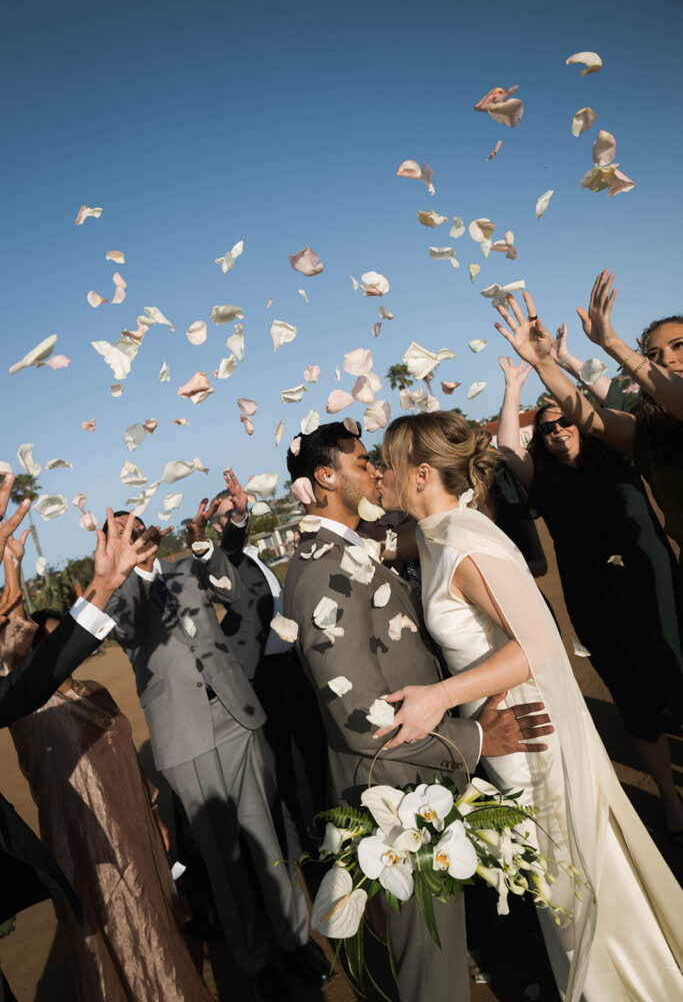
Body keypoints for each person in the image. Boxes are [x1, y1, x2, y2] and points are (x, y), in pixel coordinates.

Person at [378, 410, 683, 1002]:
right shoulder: (440, 533)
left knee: (568, 880)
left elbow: (539, 643)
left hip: (529, 736)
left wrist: (438, 697)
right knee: (560, 880)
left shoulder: (463, 542)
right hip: (502, 731)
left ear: (420, 475)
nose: (380, 476)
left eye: (387, 464)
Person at [283, 421, 556, 1002]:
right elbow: (361, 720)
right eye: (363, 464)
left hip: (420, 772)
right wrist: (477, 739)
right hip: (394, 792)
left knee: (442, 946)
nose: (377, 472)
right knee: (430, 966)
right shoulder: (319, 573)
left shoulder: (346, 547)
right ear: (326, 477)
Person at [104, 498, 327, 1002]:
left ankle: (295, 941)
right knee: (223, 860)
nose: (133, 534)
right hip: (184, 738)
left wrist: (205, 549)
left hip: (235, 717)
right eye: (121, 532)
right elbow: (131, 629)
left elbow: (232, 590)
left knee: (266, 840)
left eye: (135, 525)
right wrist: (130, 572)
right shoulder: (116, 599)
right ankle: (254, 961)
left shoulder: (186, 569)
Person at [2, 537, 212, 1002]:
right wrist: (10, 568)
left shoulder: (95, 690)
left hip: (134, 826)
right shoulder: (29, 708)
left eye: (64, 641)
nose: (60, 651)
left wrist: (154, 816)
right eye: (46, 645)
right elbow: (11, 632)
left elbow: (129, 771)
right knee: (116, 928)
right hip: (83, 838)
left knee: (156, 918)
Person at [496, 353, 683, 841]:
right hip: (596, 600)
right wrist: (515, 385)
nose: (557, 430)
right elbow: (508, 449)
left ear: (579, 421)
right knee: (634, 695)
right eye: (547, 428)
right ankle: (671, 798)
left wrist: (558, 362)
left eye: (564, 420)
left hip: (654, 584)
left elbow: (609, 396)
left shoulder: (620, 453)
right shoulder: (541, 477)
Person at [0, 481, 157, 1002]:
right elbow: (15, 632)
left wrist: (105, 587)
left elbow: (26, 674)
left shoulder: (82, 688)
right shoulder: (23, 686)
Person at [494, 273, 683, 564]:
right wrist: (543, 362)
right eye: (653, 354)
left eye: (678, 345)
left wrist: (611, 343)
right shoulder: (646, 433)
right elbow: (591, 418)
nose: (666, 359)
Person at [209, 470, 328, 840]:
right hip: (262, 675)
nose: (236, 515)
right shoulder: (219, 562)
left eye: (239, 510)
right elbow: (228, 550)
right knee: (280, 769)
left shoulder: (253, 556)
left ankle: (330, 830)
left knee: (316, 752)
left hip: (293, 666)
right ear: (217, 529)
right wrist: (239, 519)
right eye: (229, 514)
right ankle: (298, 847)